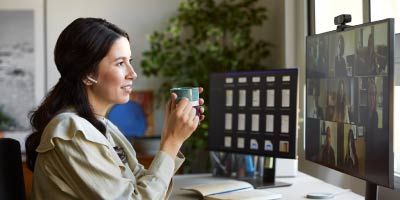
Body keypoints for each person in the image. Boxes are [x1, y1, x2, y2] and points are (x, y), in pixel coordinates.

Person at [25, 17, 205, 200]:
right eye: (120, 63)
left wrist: (170, 134)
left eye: (130, 61)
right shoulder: (71, 132)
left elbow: (144, 187)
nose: (132, 74)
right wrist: (172, 141)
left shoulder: (104, 127)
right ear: (88, 74)